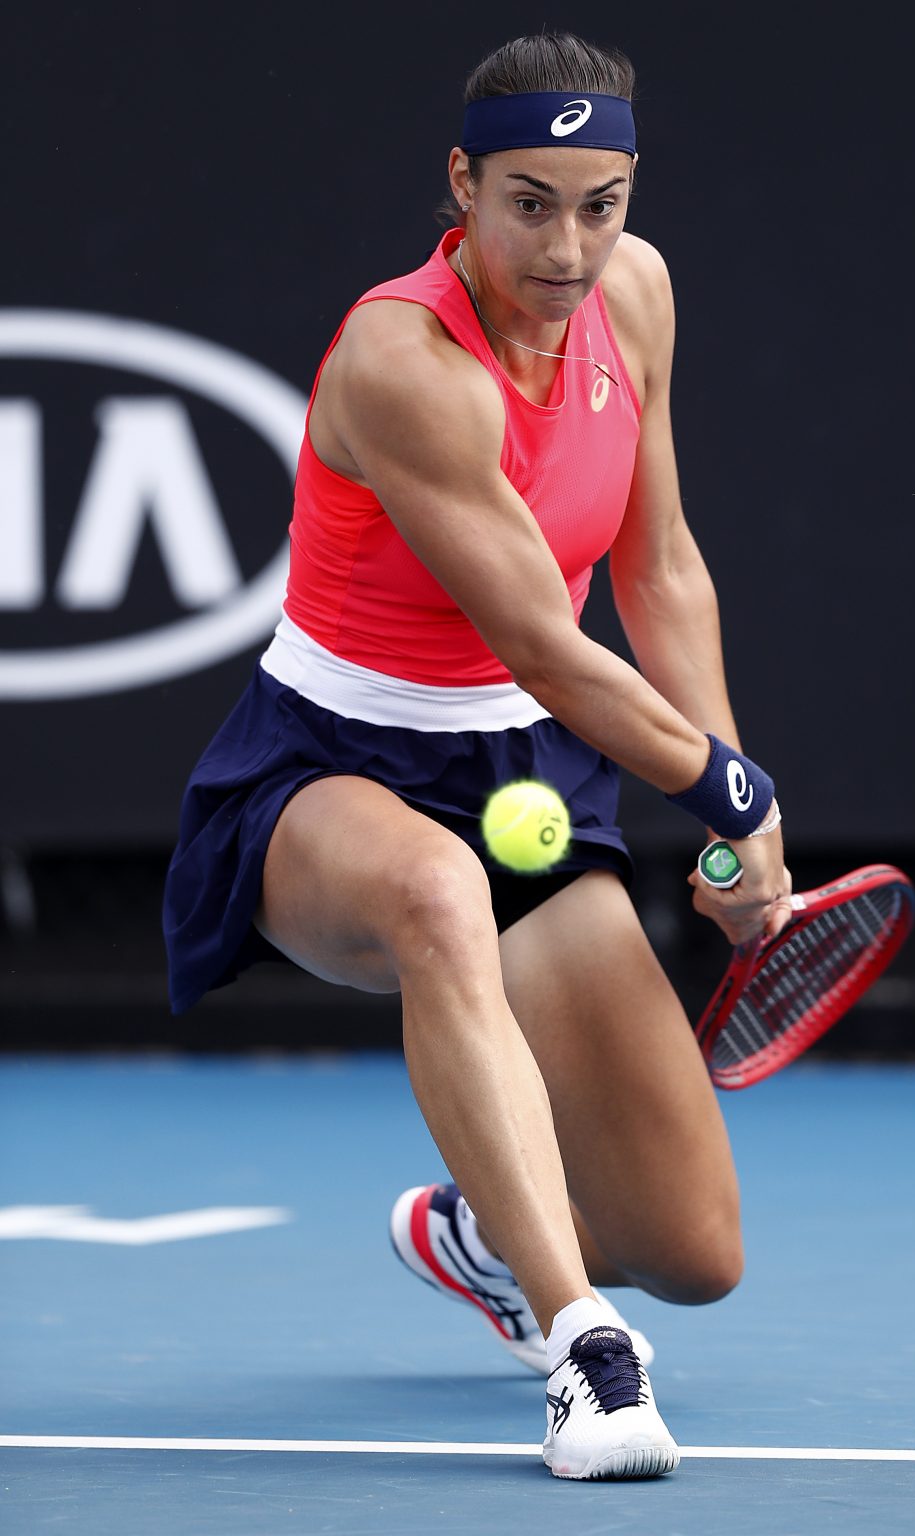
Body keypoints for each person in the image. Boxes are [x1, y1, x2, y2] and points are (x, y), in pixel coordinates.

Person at [163, 30, 791, 1481]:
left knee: (693, 1251)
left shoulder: (636, 298)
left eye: (602, 202)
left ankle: (473, 1228)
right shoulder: (400, 358)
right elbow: (549, 648)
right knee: (439, 895)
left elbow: (663, 564)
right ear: (462, 184)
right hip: (327, 773)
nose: (569, 248)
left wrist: (732, 817)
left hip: (525, 779)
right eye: (528, 202)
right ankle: (583, 1352)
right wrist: (727, 788)